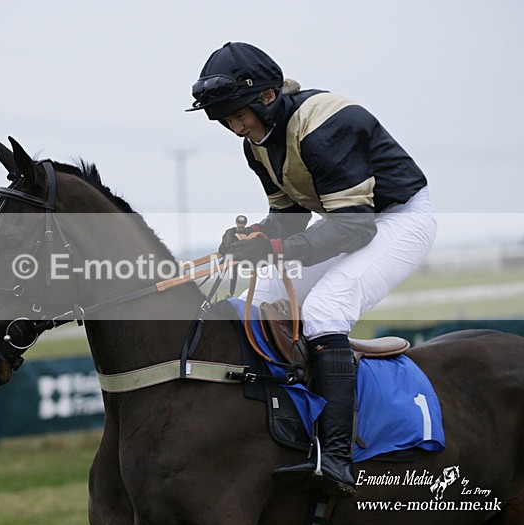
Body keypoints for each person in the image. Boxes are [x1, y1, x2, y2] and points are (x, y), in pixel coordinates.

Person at [187, 42, 437, 497]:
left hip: (399, 220)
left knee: (325, 311)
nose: (234, 126)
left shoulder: (323, 124)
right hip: (348, 223)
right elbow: (289, 216)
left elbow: (356, 228)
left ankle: (337, 456)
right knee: (255, 300)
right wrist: (251, 239)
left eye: (238, 113)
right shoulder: (256, 143)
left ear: (268, 97)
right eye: (223, 118)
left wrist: (275, 247)